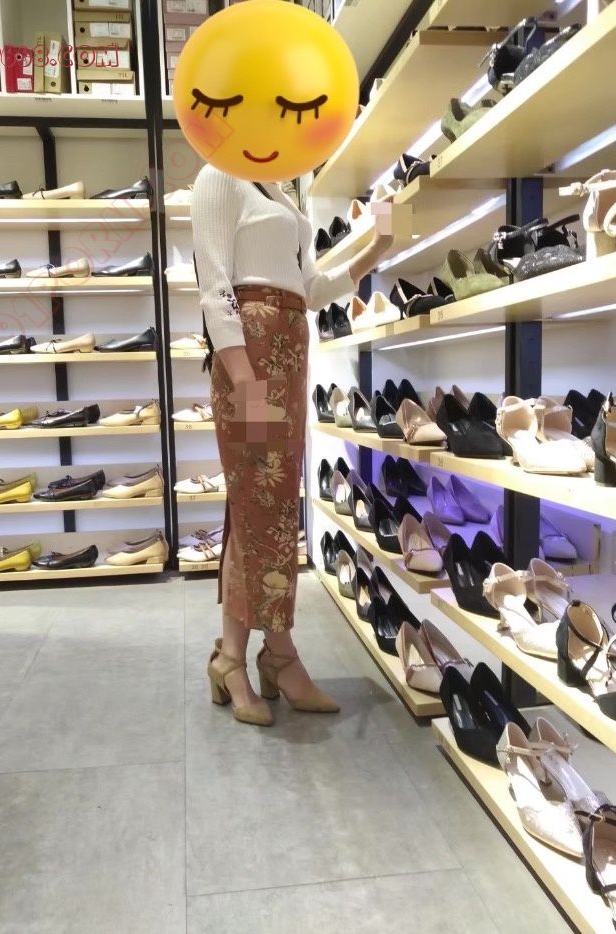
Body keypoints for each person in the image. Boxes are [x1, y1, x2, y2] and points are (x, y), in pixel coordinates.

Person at [192, 164, 394, 726]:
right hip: (251, 362)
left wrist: (378, 246)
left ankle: (242, 658)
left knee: (268, 504)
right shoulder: (219, 177)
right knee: (262, 503)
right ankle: (270, 657)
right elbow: (214, 287)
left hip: (286, 353)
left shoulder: (281, 194)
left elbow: (311, 290)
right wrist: (244, 380)